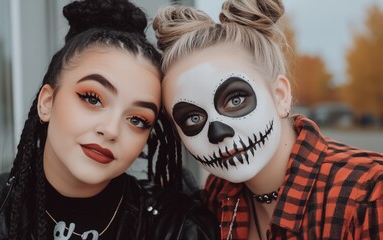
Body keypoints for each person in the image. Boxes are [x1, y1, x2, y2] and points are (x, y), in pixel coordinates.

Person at [0, 0, 219, 239]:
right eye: (92, 98)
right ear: (47, 103)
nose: (111, 130)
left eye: (137, 119)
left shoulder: (176, 228)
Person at [152, 0, 383, 239]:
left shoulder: (370, 194)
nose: (218, 132)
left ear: (280, 96)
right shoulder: (216, 196)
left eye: (235, 100)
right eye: (193, 118)